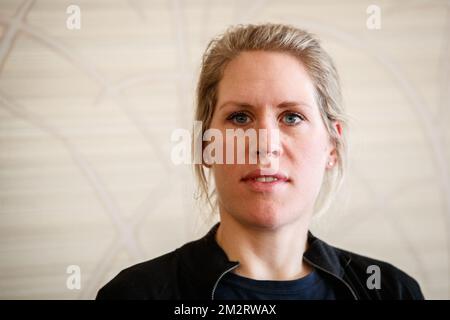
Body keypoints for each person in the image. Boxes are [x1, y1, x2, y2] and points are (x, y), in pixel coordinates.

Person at [96, 23, 424, 300]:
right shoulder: (135, 294)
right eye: (240, 117)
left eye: (292, 117)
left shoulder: (392, 291)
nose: (264, 145)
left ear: (332, 146)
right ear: (206, 145)